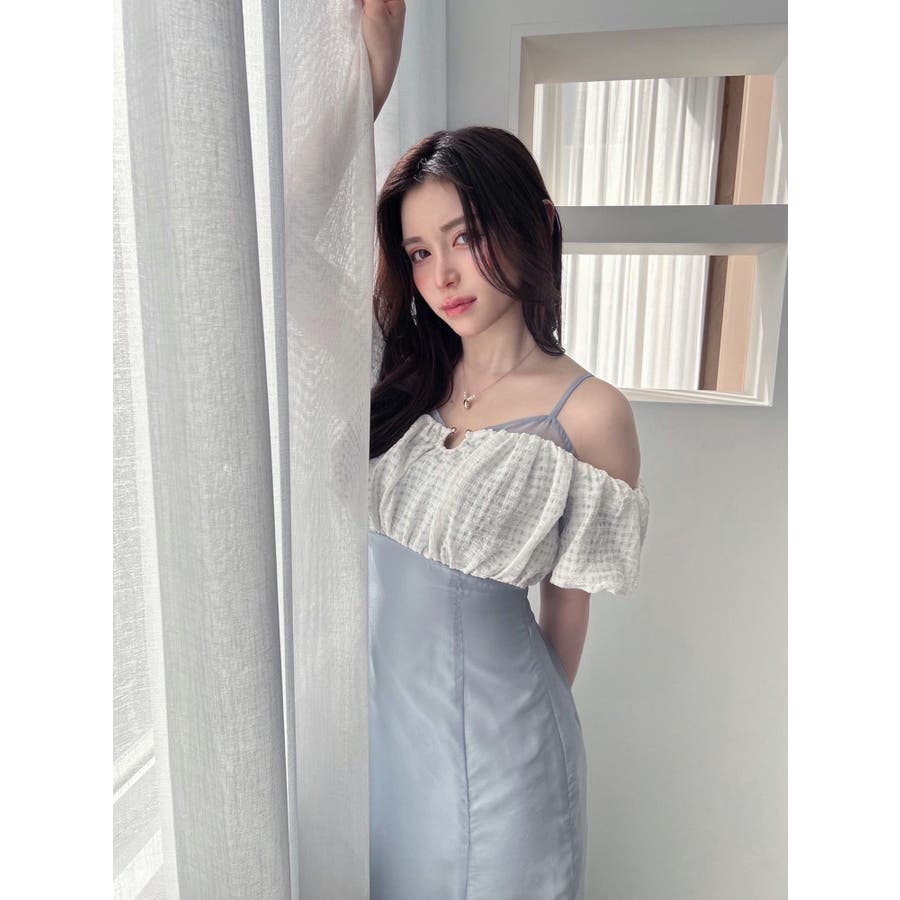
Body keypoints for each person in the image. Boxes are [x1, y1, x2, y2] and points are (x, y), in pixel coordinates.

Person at [362, 4, 650, 899]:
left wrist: (520, 740)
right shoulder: (402, 378)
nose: (442, 275)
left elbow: (566, 612)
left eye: (464, 237)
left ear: (534, 223)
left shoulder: (590, 413)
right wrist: (369, 90)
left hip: (508, 758)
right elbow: (283, 260)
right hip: (387, 753)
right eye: (419, 252)